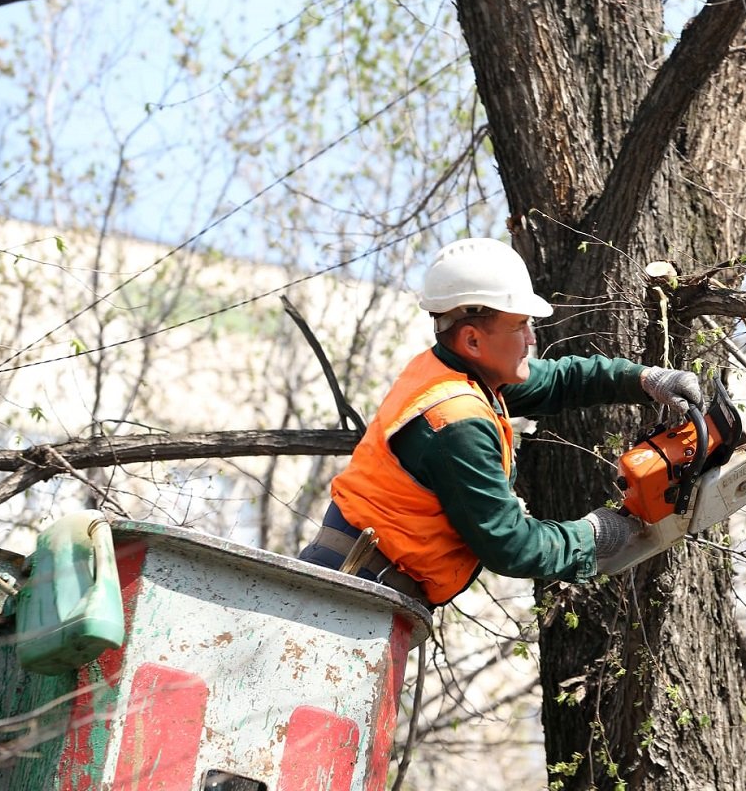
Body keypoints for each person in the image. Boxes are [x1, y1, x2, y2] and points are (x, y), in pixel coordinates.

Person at [298, 237, 704, 606]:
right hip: (350, 593)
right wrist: (592, 535)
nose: (530, 338)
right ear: (473, 340)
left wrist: (646, 379)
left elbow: (559, 380)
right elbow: (512, 546)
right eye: (519, 326)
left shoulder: (452, 373)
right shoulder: (454, 421)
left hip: (361, 585)